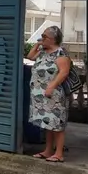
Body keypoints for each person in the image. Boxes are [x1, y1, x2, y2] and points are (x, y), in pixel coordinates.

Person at [28, 26, 72, 163]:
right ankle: (48, 150)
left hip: (54, 95)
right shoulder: (43, 52)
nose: (42, 38)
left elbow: (64, 72)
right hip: (41, 95)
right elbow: (30, 56)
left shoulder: (61, 54)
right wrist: (38, 44)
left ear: (53, 39)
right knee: (48, 124)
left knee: (57, 124)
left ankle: (58, 153)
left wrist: (51, 86)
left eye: (45, 36)